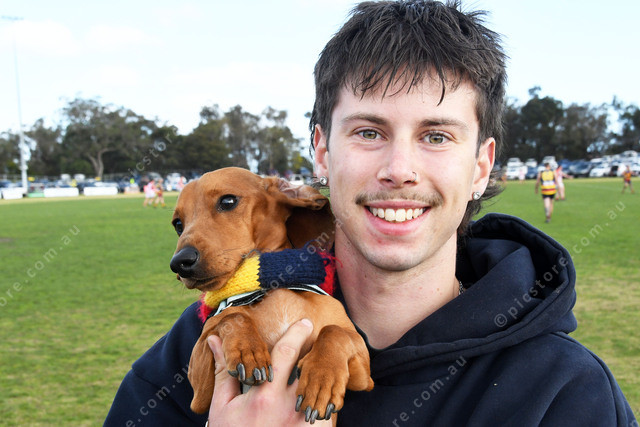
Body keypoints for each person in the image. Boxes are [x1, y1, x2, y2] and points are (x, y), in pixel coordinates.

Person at [105, 2, 636, 426]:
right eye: (368, 132)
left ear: (480, 166)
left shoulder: (564, 391)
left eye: (436, 136)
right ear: (322, 152)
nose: (399, 170)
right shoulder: (201, 344)